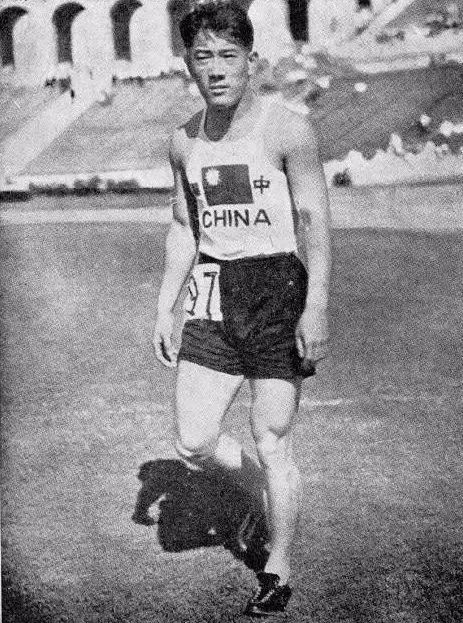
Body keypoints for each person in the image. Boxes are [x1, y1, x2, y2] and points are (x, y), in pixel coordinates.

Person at [153, 1, 331, 616]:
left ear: (251, 60)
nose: (216, 69)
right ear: (188, 64)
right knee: (194, 442)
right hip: (212, 289)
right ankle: (260, 494)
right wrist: (165, 307)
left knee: (271, 435)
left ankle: (278, 562)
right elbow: (185, 227)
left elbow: (313, 220)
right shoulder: (183, 140)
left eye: (229, 56)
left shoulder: (287, 129)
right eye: (203, 57)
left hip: (276, 288)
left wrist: (316, 304)